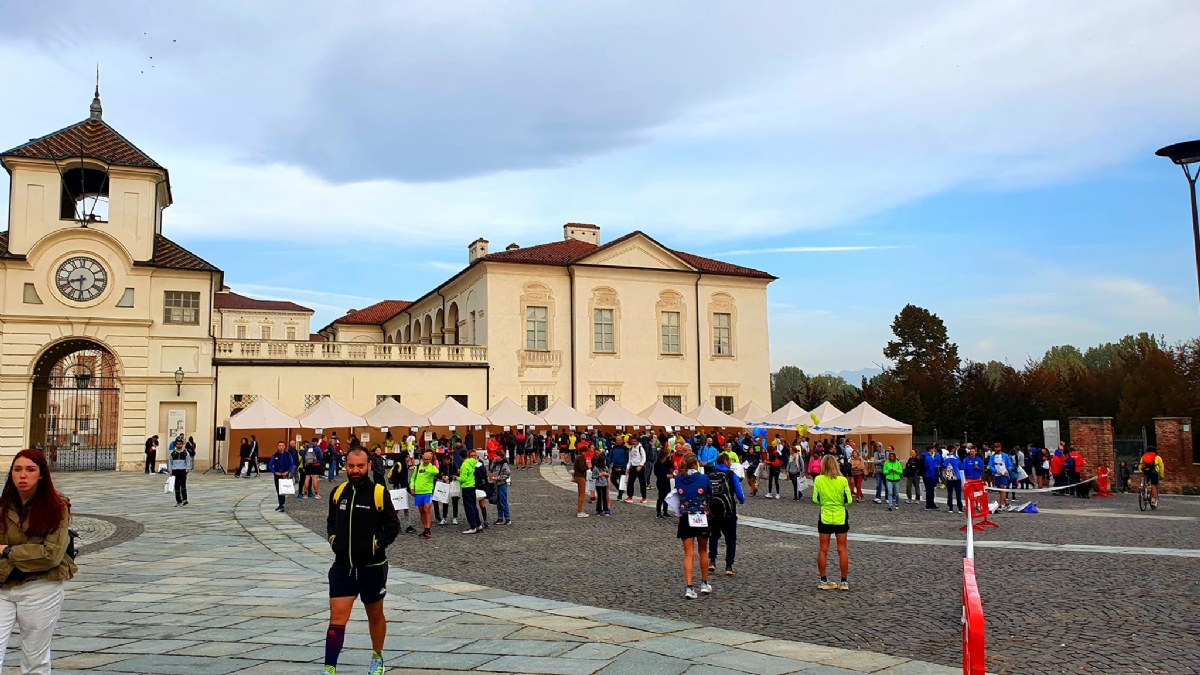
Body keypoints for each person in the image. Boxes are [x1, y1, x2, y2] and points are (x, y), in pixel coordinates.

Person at [323, 448, 401, 675]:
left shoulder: (378, 493)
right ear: (345, 466)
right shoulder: (338, 493)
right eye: (351, 466)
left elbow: (393, 526)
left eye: (360, 466)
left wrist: (377, 544)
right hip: (342, 567)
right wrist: (333, 539)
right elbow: (331, 521)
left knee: (375, 615)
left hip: (372, 567)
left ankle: (377, 657)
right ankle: (329, 668)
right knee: (337, 617)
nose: (355, 470)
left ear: (368, 466)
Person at [0, 449, 78, 674]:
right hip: (3, 585)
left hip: (41, 587)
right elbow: (41, 552)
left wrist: (7, 551)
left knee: (35, 659)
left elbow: (51, 555)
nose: (23, 475)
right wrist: (29, 553)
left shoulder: (57, 505)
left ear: (42, 474)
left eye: (30, 469)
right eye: (17, 469)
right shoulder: (2, 505)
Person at [674, 453, 712, 599]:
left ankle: (689, 587)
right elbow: (710, 495)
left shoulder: (679, 479)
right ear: (695, 464)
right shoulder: (704, 478)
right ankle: (704, 583)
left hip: (685, 516)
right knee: (703, 550)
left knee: (688, 554)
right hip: (701, 516)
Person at [812, 455, 851, 590]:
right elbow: (848, 500)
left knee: (823, 549)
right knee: (842, 549)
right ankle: (844, 581)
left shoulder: (818, 479)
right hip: (840, 516)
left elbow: (815, 499)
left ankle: (823, 580)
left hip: (825, 516)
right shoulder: (842, 480)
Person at [706, 453, 745, 576]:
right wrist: (742, 500)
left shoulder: (709, 474)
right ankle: (729, 566)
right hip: (728, 511)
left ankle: (712, 561)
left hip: (712, 511)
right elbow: (739, 494)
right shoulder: (730, 475)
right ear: (726, 462)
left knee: (713, 536)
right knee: (730, 539)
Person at [410, 451, 438, 539]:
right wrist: (412, 488)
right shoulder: (418, 467)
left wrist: (426, 469)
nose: (425, 461)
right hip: (418, 492)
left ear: (430, 459)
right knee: (421, 511)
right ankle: (425, 528)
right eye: (424, 459)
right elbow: (413, 478)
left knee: (426, 509)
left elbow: (436, 471)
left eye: (427, 459)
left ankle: (428, 529)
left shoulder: (432, 467)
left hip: (428, 491)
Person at [455, 449, 482, 534]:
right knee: (474, 506)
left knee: (468, 507)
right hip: (473, 485)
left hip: (467, 487)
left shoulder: (464, 465)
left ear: (460, 457)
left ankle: (472, 526)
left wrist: (456, 478)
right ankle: (478, 524)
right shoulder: (472, 462)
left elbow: (463, 478)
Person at [268, 441, 295, 512]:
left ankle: (282, 504)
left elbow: (291, 464)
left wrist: (288, 471)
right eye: (280, 446)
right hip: (277, 474)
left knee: (284, 489)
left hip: (285, 474)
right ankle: (281, 504)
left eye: (282, 445)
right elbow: (270, 465)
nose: (281, 447)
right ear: (278, 446)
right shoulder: (275, 455)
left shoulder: (287, 454)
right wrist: (275, 472)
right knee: (278, 489)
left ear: (284, 446)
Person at [489, 450, 512, 525]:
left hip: (502, 484)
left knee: (503, 501)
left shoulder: (504, 464)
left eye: (496, 456)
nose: (494, 457)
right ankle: (500, 518)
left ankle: (508, 518)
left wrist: (498, 478)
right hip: (496, 485)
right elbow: (491, 470)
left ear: (500, 457)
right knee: (498, 502)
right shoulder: (495, 463)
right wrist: (493, 462)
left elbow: (507, 474)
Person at [167, 439, 193, 506]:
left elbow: (188, 461)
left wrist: (187, 469)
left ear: (182, 445)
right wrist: (170, 470)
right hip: (175, 471)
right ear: (176, 445)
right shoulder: (172, 453)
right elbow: (170, 462)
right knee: (176, 486)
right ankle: (178, 500)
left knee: (183, 485)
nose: (179, 445)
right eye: (178, 444)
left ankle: (185, 499)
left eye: (180, 444)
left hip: (182, 470)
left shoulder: (185, 453)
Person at [654, 447, 675, 518]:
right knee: (661, 497)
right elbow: (657, 473)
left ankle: (665, 511)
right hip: (661, 482)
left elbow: (673, 466)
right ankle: (658, 512)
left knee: (667, 497)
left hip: (667, 482)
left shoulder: (667, 463)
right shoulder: (658, 464)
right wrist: (665, 475)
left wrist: (670, 459)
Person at [625, 439, 648, 503]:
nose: (633, 442)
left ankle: (644, 497)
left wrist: (640, 465)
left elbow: (644, 458)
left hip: (640, 467)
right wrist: (628, 467)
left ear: (638, 442)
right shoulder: (631, 449)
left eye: (635, 441)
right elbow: (630, 459)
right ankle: (630, 496)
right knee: (630, 482)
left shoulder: (641, 448)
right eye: (632, 441)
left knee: (642, 483)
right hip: (633, 467)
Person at [922, 446, 941, 511]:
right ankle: (929, 504)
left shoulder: (926, 456)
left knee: (930, 491)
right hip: (929, 476)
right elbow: (930, 468)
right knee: (930, 491)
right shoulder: (929, 457)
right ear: (931, 450)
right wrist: (934, 477)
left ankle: (931, 504)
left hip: (927, 475)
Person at [572, 450, 590, 518]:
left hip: (577, 476)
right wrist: (588, 466)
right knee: (582, 494)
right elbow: (582, 468)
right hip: (581, 476)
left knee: (580, 494)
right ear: (584, 452)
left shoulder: (577, 457)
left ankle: (579, 510)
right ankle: (580, 511)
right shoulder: (582, 457)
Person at [593, 451, 611, 516]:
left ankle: (606, 509)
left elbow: (608, 474)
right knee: (599, 497)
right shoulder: (596, 469)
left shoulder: (605, 468)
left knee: (604, 497)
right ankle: (599, 510)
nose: (605, 462)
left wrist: (606, 475)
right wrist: (599, 474)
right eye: (604, 461)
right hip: (598, 484)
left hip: (604, 484)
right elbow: (593, 476)